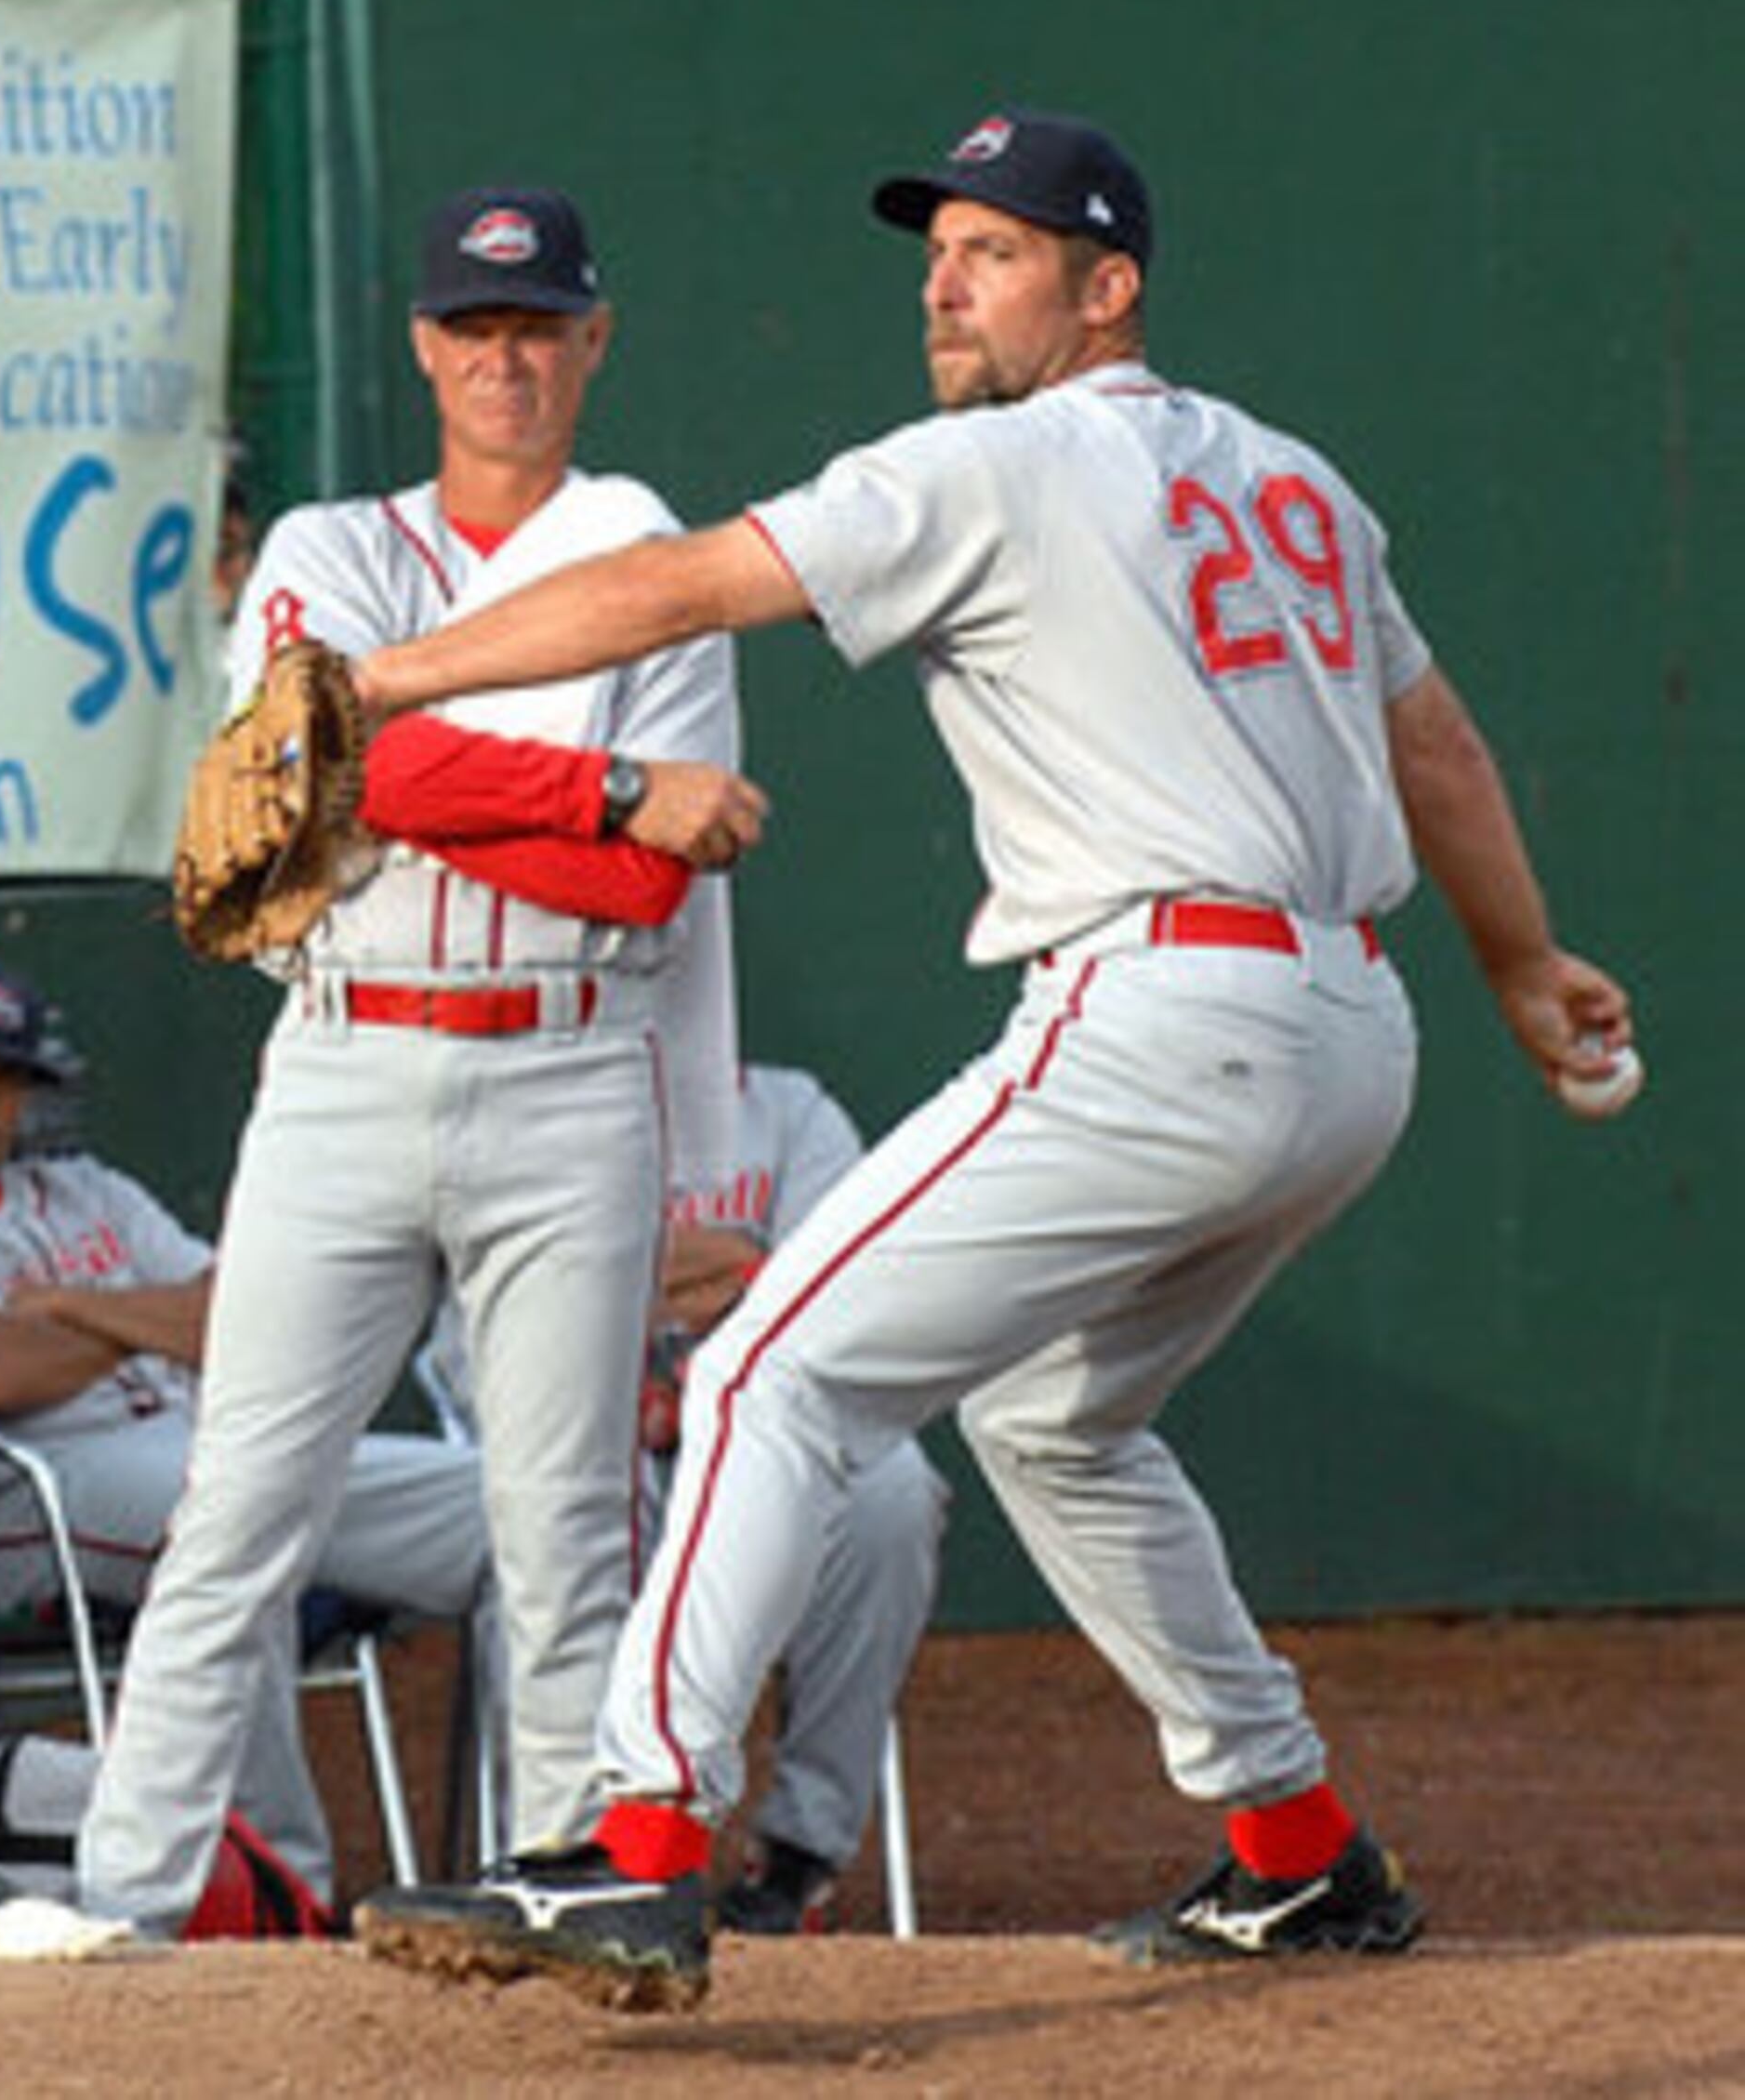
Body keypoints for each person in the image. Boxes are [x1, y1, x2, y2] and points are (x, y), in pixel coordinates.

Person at [349, 109, 1633, 2006]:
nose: (948, 282)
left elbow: (689, 583)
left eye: (1001, 252)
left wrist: (377, 679)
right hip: (1351, 1033)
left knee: (770, 1370)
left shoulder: (1000, 466)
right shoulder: (1288, 475)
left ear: (1109, 290)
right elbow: (1429, 740)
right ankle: (1297, 1850)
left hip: (1163, 1014)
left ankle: (631, 1846)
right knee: (1053, 1418)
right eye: (940, 248)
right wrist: (1520, 962)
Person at [66, 183, 764, 1938]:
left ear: (595, 339)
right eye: (474, 325)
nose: (505, 358)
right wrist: (595, 780)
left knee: (563, 1547)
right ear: (424, 345)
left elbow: (645, 886)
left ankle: (552, 1915)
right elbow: (308, 769)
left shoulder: (647, 551)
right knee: (239, 1516)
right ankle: (122, 1909)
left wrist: (402, 758)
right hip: (344, 1062)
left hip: (569, 1064)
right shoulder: (326, 547)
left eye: (539, 326)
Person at [0, 959, 492, 1902]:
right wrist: (149, 1319)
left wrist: (80, 1309)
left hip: (206, 1449)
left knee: (504, 1506)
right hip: (25, 1498)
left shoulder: (89, 1191)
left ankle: (532, 1856)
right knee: (230, 1531)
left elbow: (255, 1321)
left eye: (4, 1077)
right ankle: (289, 1890)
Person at [643, 1063, 947, 1934]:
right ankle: (590, 1842)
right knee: (574, 1495)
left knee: (890, 1494)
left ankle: (798, 1856)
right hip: (588, 1437)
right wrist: (738, 1268)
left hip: (752, 1434)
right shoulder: (545, 1093)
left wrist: (659, 1273)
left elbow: (834, 1299)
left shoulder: (791, 1113)